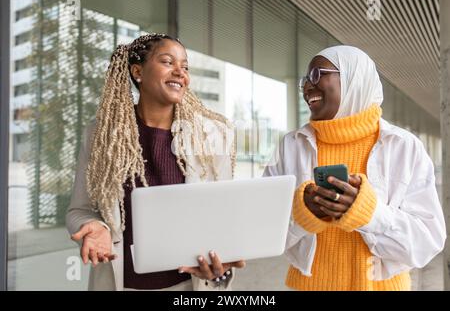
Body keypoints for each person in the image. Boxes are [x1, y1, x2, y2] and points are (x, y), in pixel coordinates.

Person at [66, 33, 245, 291]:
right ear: (137, 71)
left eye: (184, 67)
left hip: (188, 287)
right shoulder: (102, 135)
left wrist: (218, 269)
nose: (179, 72)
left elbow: (222, 218)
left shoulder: (211, 135)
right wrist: (93, 226)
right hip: (122, 285)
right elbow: (78, 210)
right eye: (167, 62)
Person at [264, 45, 446, 291]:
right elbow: (266, 233)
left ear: (354, 78)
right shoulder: (290, 146)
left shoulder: (404, 147)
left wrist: (370, 214)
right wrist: (303, 215)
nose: (307, 87)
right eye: (305, 80)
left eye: (317, 75)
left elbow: (427, 243)